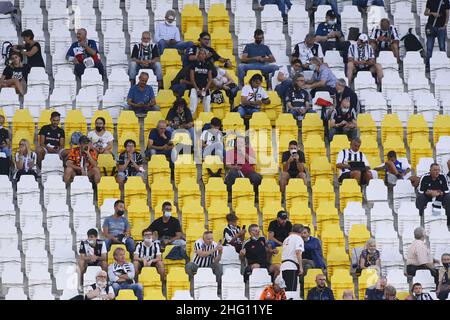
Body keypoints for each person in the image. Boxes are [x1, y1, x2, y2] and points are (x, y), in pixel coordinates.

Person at [424, 0, 449, 68]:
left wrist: (445, 25)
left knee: (442, 47)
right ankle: (428, 66)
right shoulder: (430, 0)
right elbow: (425, 13)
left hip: (441, 27)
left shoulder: (445, 1)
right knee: (429, 47)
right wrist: (432, 13)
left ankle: (443, 65)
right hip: (431, 26)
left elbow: (447, 13)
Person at [281, 224, 304, 292]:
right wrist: (301, 267)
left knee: (286, 291)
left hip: (284, 266)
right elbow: (298, 252)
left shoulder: (286, 239)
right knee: (291, 291)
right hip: (292, 266)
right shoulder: (298, 238)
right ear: (301, 232)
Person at [189, 48, 213, 114]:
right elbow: (192, 79)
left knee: (207, 109)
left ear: (205, 55)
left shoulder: (208, 65)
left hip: (205, 88)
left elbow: (210, 79)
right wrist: (197, 90)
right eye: (200, 54)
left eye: (203, 54)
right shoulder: (193, 64)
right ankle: (190, 123)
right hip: (195, 88)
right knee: (192, 109)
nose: (202, 55)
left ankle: (207, 122)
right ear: (198, 55)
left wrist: (205, 90)